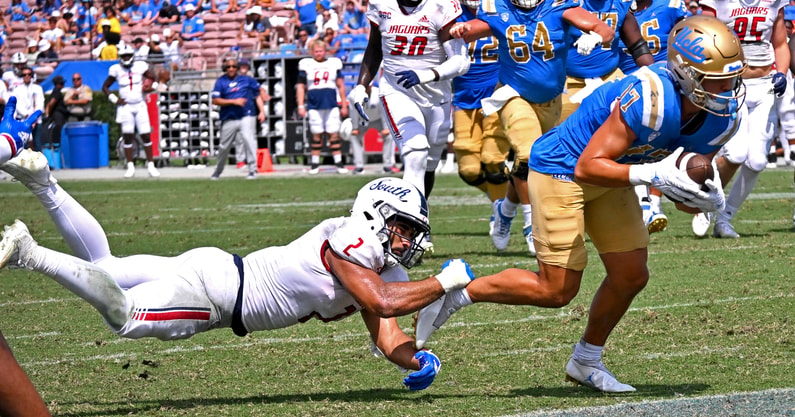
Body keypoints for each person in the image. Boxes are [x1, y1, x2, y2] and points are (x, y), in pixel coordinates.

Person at [414, 16, 743, 393]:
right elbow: (589, 165)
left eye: (733, 78)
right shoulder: (649, 97)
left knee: (631, 274)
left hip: (614, 173)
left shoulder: (722, 118)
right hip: (563, 170)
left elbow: (682, 191)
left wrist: (706, 197)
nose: (728, 89)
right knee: (556, 291)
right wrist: (652, 174)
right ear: (685, 74)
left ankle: (586, 361)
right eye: (716, 79)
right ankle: (461, 290)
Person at [0, 161, 474, 391]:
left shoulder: (373, 264)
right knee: (122, 316)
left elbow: (386, 331)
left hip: (215, 267)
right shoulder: (353, 244)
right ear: (377, 214)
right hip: (218, 296)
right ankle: (30, 253)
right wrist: (444, 282)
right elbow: (385, 302)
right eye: (404, 228)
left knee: (105, 269)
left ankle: (43, 181)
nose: (410, 241)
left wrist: (417, 361)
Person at [446, 0, 613, 256]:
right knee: (529, 153)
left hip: (551, 101)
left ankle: (505, 210)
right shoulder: (498, 8)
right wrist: (461, 30)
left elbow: (605, 29)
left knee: (535, 161)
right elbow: (473, 28)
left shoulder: (560, 7)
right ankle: (532, 224)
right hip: (513, 95)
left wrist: (595, 37)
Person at [351, 0, 471, 237]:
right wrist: (362, 85)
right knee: (415, 152)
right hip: (397, 91)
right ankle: (410, 230)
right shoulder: (381, 5)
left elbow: (461, 61)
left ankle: (417, 217)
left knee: (429, 164)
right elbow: (375, 47)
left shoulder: (441, 5)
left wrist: (426, 75)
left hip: (436, 94)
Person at [690, 0, 792, 238]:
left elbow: (779, 43)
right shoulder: (719, 2)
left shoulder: (772, 2)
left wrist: (782, 73)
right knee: (735, 153)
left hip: (765, 85)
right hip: (731, 86)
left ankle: (725, 220)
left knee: (757, 161)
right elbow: (702, 37)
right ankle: (707, 202)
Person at [616, 0, 687, 234]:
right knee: (628, 145)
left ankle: (651, 203)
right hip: (622, 83)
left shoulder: (671, 5)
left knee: (659, 144)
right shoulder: (616, 6)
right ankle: (645, 206)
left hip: (663, 83)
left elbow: (688, 38)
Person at [450, 0, 509, 233]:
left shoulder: (501, 9)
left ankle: (505, 211)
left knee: (493, 159)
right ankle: (503, 203)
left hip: (497, 94)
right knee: (469, 169)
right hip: (464, 98)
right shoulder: (450, 14)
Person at [102, 44, 160, 178]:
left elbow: (153, 77)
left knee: (145, 134)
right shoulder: (116, 69)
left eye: (128, 55)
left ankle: (151, 165)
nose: (126, 58)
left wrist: (152, 86)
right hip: (126, 106)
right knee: (127, 135)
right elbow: (105, 87)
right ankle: (130, 166)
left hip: (140, 104)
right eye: (124, 56)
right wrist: (114, 99)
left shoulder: (140, 66)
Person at [297, 39, 349, 174]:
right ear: (312, 52)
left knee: (334, 134)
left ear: (325, 51)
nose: (318, 53)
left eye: (320, 51)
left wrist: (344, 105)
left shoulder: (333, 64)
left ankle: (339, 163)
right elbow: (301, 87)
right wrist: (300, 105)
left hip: (331, 103)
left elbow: (341, 86)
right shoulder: (306, 64)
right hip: (314, 104)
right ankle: (314, 164)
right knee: (316, 134)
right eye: (316, 51)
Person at [210, 58, 262, 180]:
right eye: (229, 67)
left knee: (249, 141)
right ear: (225, 69)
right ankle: (218, 170)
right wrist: (233, 101)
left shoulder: (247, 80)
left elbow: (258, 92)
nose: (231, 69)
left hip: (246, 114)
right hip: (229, 117)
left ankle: (253, 170)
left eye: (234, 66)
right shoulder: (221, 82)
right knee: (224, 146)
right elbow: (215, 100)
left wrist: (262, 110)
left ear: (237, 68)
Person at [343, 82, 398, 175]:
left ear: (371, 86)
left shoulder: (379, 94)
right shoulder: (353, 95)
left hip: (378, 119)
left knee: (389, 136)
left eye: (367, 86)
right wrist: (355, 127)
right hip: (362, 120)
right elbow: (353, 112)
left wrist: (386, 127)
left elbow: (384, 111)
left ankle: (387, 166)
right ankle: (359, 166)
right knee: (354, 137)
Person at [10, 67, 44, 151]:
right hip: (23, 120)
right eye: (24, 74)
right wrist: (27, 115)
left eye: (29, 74)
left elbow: (40, 104)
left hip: (36, 121)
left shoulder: (38, 88)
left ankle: (39, 164)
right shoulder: (17, 89)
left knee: (37, 144)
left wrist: (34, 118)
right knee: (24, 145)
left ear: (32, 75)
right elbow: (17, 106)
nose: (27, 76)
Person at [43, 75, 69, 149]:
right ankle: (56, 144)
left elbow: (48, 105)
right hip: (58, 115)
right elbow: (51, 104)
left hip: (56, 114)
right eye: (61, 83)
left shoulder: (55, 91)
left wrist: (48, 114)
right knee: (59, 129)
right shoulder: (57, 92)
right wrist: (50, 113)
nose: (63, 85)